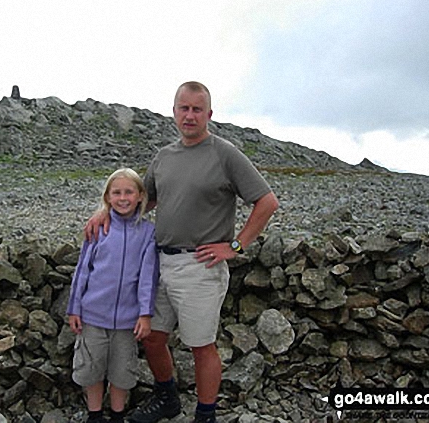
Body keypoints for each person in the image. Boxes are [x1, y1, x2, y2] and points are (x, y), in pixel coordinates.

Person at [85, 82, 279, 423]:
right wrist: (106, 212)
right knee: (153, 337)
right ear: (174, 111)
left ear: (209, 114)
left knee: (201, 345)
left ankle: (206, 415)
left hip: (201, 266)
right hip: (159, 262)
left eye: (197, 109)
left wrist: (235, 246)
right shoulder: (164, 156)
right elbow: (145, 200)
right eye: (183, 108)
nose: (189, 115)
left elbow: (267, 201)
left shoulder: (225, 154)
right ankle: (168, 399)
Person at [68, 168, 159, 423]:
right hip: (92, 317)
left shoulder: (148, 232)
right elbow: (82, 270)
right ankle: (95, 415)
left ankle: (117, 415)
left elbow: (147, 278)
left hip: (128, 322)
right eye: (116, 192)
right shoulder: (98, 228)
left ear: (141, 196)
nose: (122, 198)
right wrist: (74, 308)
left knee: (122, 372)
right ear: (107, 197)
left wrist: (145, 314)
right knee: (91, 369)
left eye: (129, 192)